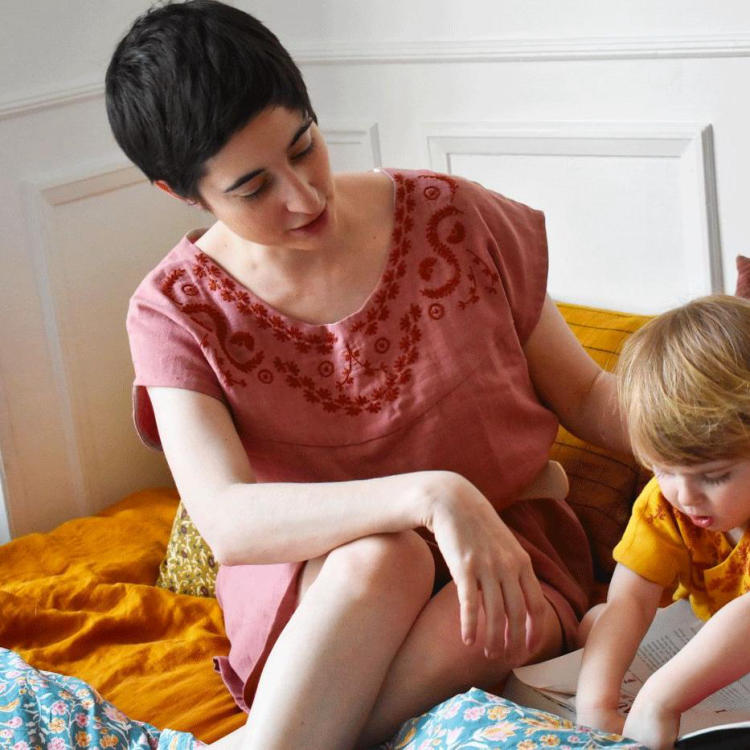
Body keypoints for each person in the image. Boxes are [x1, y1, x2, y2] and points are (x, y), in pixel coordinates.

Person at [105, 2, 628, 747]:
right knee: (387, 553)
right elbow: (226, 518)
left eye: (304, 146)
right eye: (253, 188)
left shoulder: (455, 218)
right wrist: (431, 495)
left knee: (483, 620)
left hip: (506, 551)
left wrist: (719, 434)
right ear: (181, 193)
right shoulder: (176, 309)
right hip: (318, 580)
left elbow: (589, 395)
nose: (303, 195)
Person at [575, 295, 750, 750]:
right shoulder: (667, 505)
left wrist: (658, 700)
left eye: (715, 476)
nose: (685, 497)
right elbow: (629, 599)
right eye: (663, 470)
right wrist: (595, 709)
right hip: (721, 650)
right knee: (598, 624)